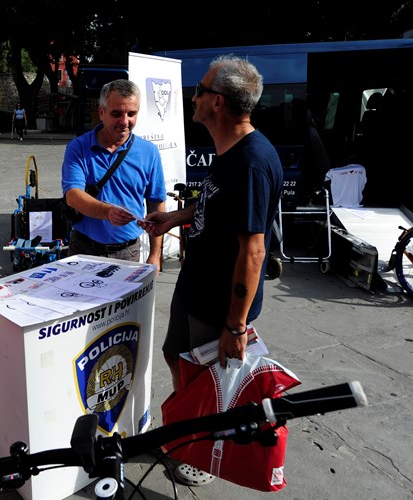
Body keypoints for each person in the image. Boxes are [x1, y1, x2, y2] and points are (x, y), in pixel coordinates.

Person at [140, 55, 283, 487]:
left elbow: (254, 251)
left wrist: (235, 327)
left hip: (220, 306)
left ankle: (201, 458)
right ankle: (184, 428)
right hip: (194, 288)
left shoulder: (252, 162)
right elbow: (215, 204)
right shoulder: (228, 151)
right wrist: (175, 218)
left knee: (212, 386)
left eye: (199, 90)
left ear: (217, 102)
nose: (193, 96)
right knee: (174, 357)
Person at [61, 79, 166, 270]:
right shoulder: (79, 148)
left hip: (128, 253)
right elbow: (73, 195)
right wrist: (107, 212)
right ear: (101, 113)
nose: (125, 122)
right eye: (116, 113)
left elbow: (156, 203)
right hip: (84, 249)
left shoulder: (149, 152)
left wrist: (155, 255)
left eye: (131, 114)